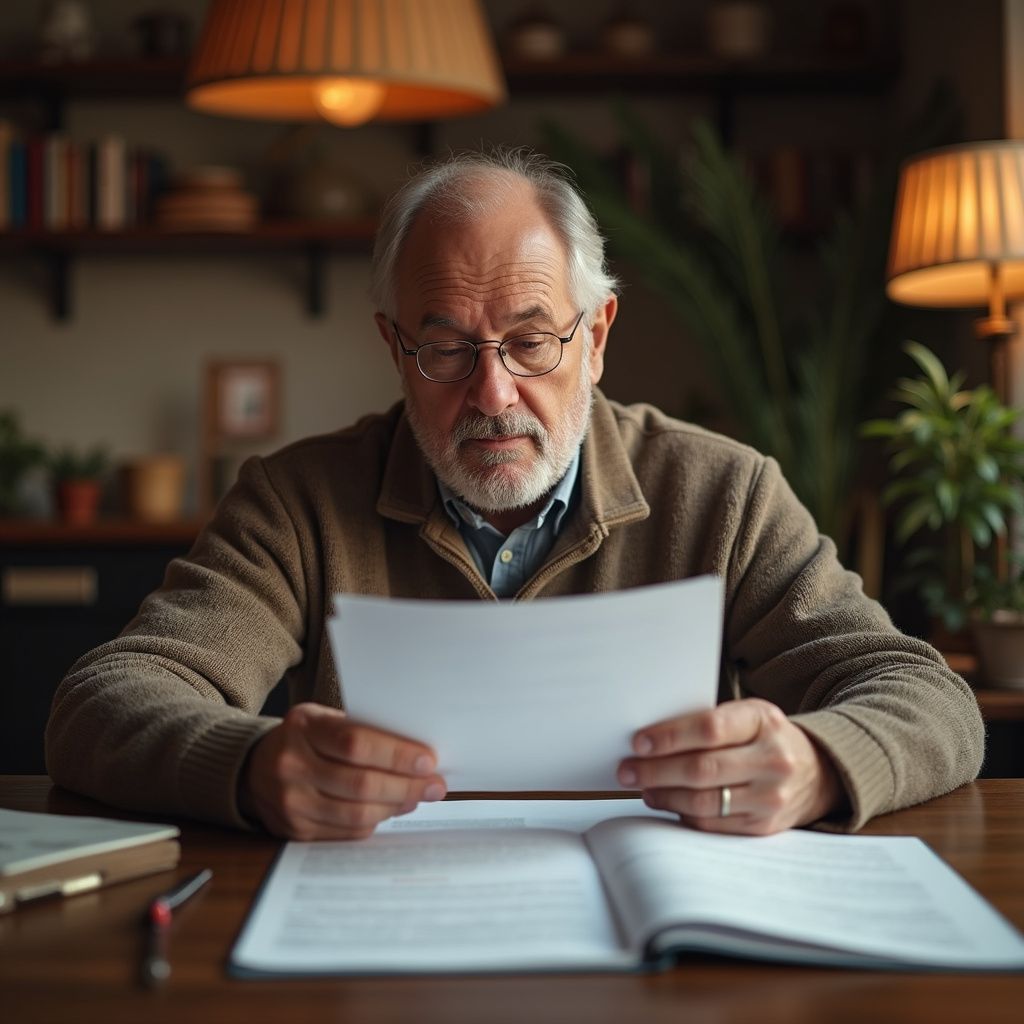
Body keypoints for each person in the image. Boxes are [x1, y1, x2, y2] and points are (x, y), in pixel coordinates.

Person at [46, 149, 983, 841]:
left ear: (599, 334)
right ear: (394, 349)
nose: (492, 395)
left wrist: (818, 765)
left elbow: (924, 696)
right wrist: (250, 768)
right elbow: (102, 703)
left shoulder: (723, 493)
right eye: (447, 347)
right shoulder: (297, 502)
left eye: (532, 341)